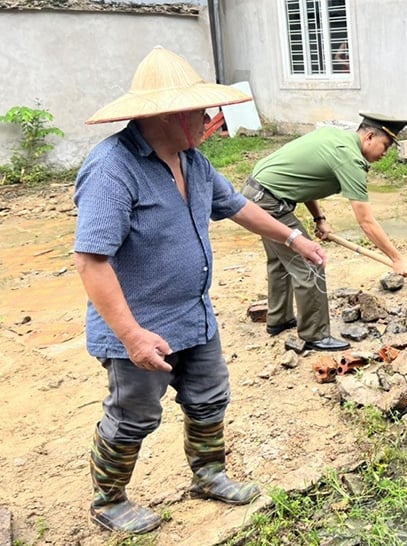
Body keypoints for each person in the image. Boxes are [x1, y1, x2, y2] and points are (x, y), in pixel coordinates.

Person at [74, 46, 326, 534]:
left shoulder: (191, 160)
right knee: (133, 416)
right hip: (142, 326)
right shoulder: (112, 168)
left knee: (209, 398)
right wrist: (131, 335)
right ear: (166, 115)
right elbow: (91, 261)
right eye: (201, 111)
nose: (211, 119)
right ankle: (109, 499)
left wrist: (294, 237)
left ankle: (208, 474)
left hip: (194, 314)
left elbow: (235, 206)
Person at [241, 112, 407, 351]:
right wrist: (397, 258)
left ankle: (279, 320)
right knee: (311, 260)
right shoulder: (350, 159)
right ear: (370, 136)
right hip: (269, 201)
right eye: (385, 146)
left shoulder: (335, 137)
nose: (385, 154)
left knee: (281, 260)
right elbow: (366, 221)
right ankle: (315, 335)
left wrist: (319, 218)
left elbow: (305, 180)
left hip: (257, 193)